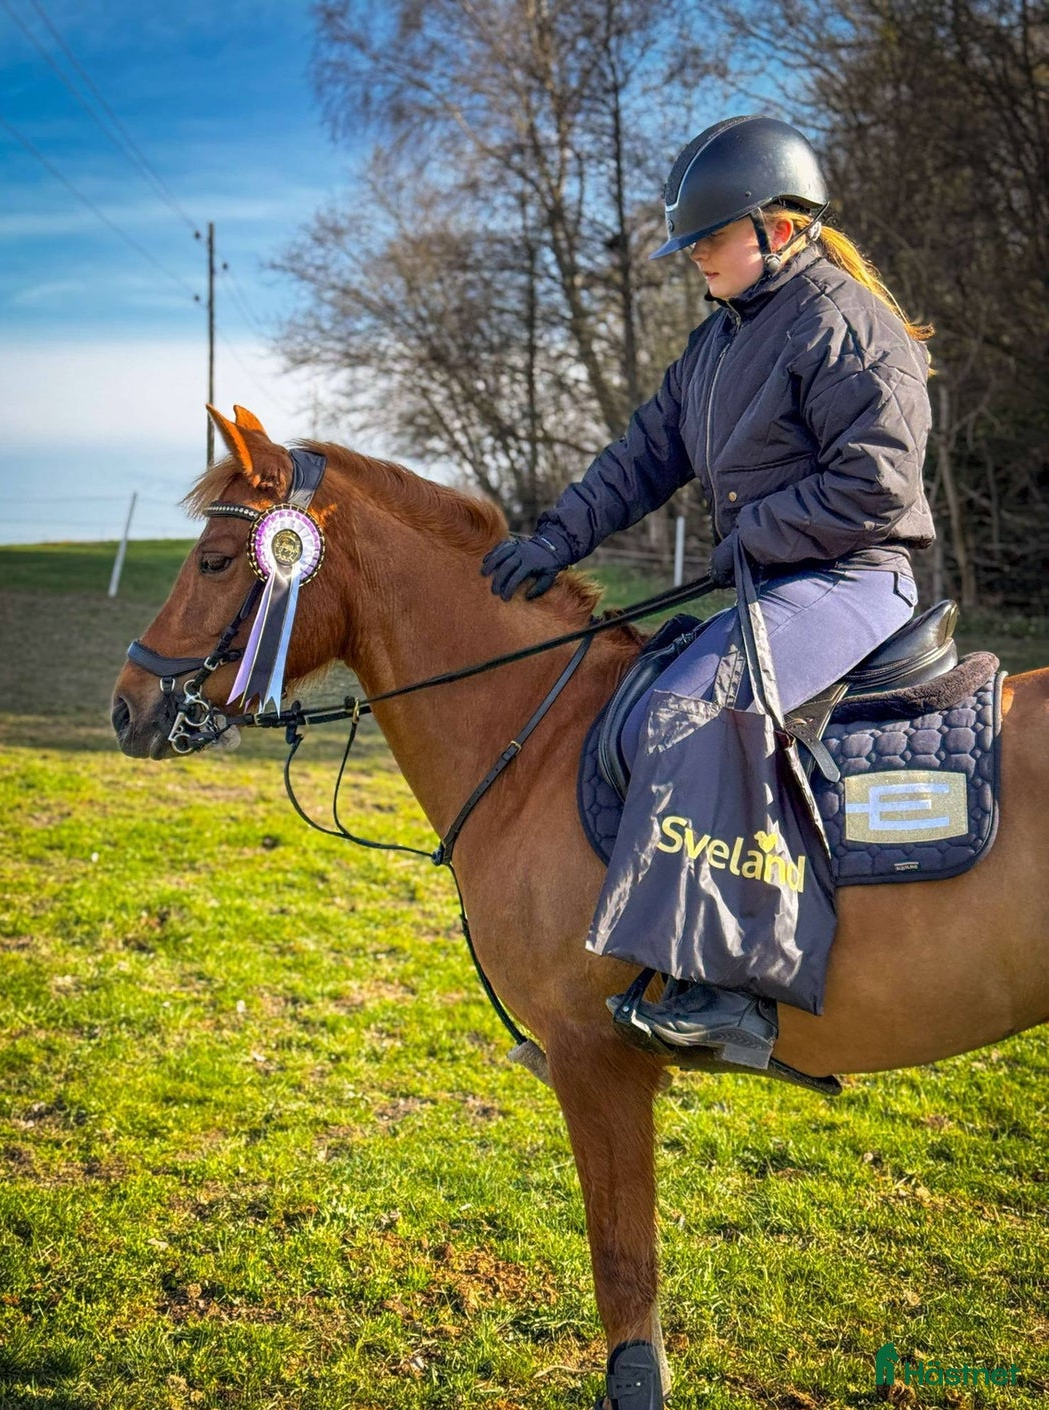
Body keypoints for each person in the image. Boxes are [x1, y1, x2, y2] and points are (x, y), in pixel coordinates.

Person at [481, 114, 935, 1071]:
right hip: (779, 581)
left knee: (697, 703)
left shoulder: (845, 323)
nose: (695, 258)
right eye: (691, 243)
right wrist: (556, 537)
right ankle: (625, 973)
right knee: (641, 693)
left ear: (777, 227)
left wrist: (749, 537)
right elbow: (645, 454)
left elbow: (877, 484)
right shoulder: (720, 344)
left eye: (709, 238)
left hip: (854, 579)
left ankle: (732, 996)